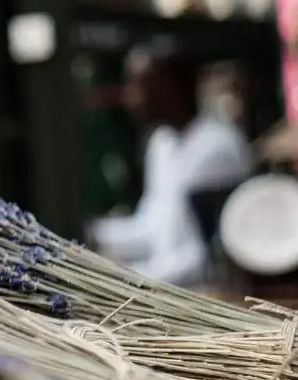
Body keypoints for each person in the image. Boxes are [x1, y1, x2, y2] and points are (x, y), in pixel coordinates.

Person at [89, 47, 254, 288]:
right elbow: (149, 228)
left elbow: (206, 258)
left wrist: (127, 280)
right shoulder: (161, 143)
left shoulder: (218, 147)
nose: (130, 98)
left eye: (140, 87)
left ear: (170, 87)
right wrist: (90, 232)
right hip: (162, 291)